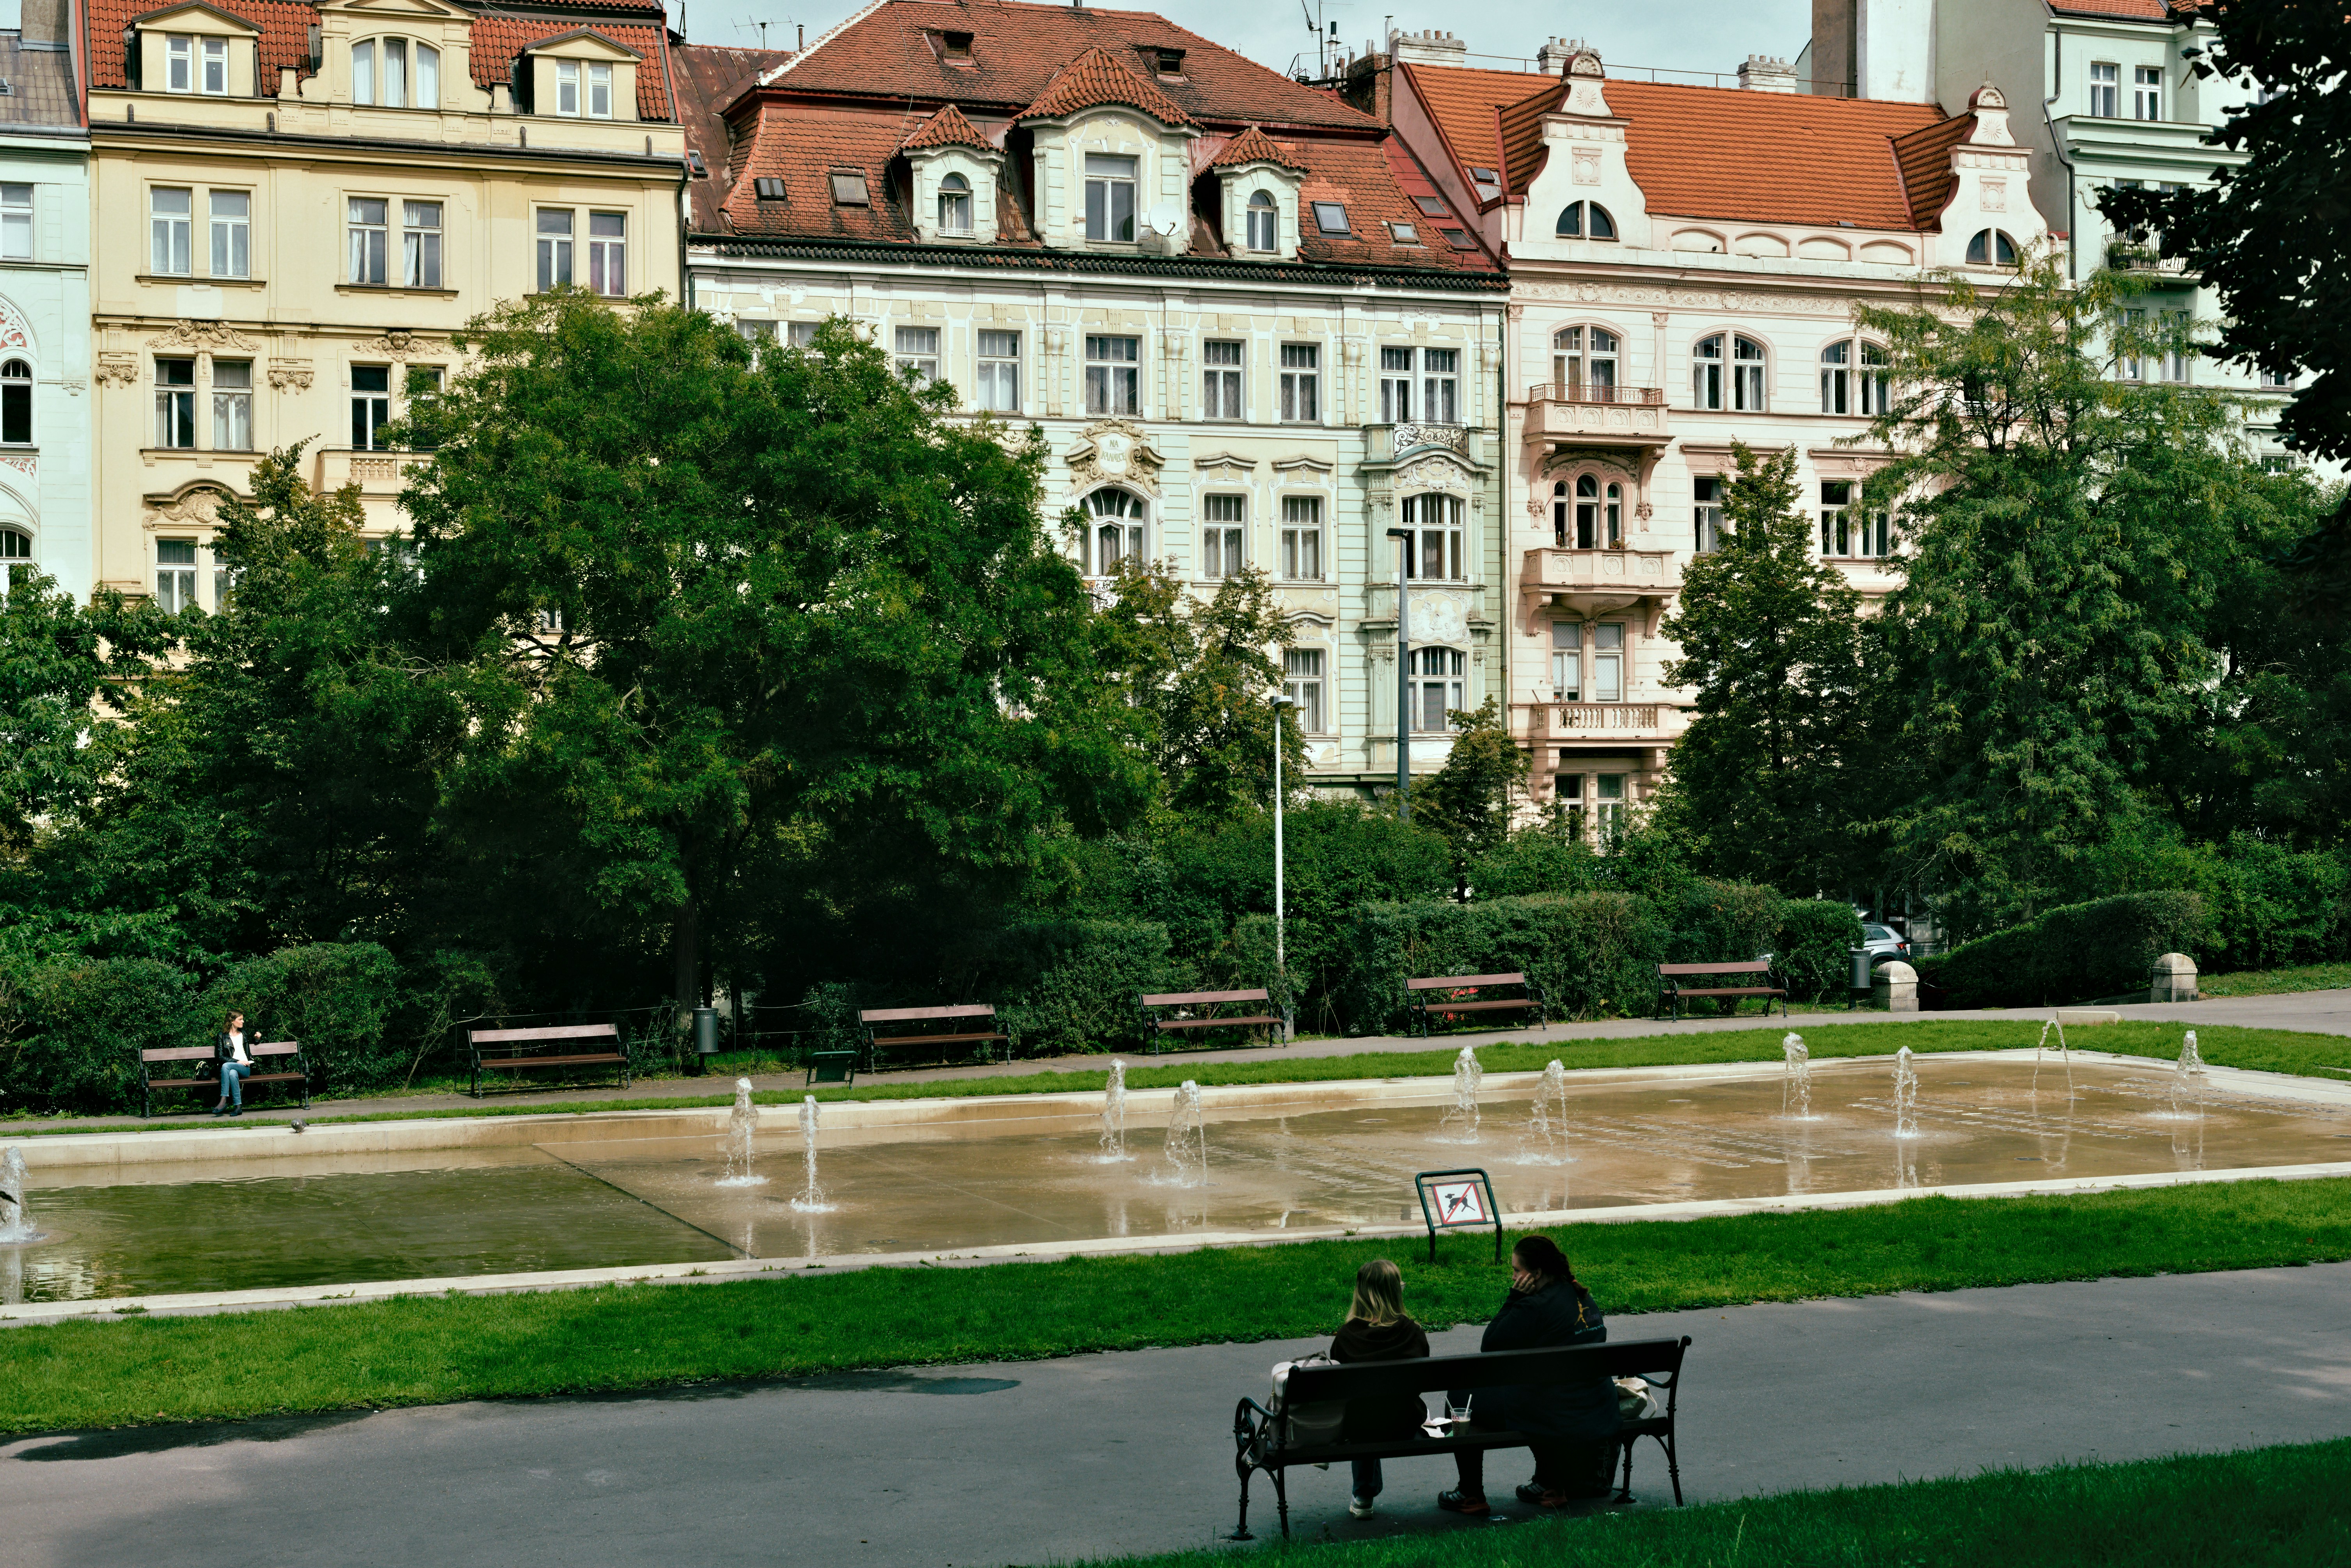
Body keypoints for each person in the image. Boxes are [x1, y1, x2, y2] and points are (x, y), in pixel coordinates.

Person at [1437, 1235, 1618, 1515]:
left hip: (1554, 1410)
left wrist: (1514, 1297)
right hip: (1594, 1404)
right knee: (1541, 1391)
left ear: (1536, 1274)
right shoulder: (1582, 1295)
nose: (1513, 1276)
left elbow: (1491, 1344)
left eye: (1516, 1271)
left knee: (1461, 1395)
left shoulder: (1533, 1305)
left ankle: (1470, 1492)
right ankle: (1550, 1484)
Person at [1328, 1258, 1430, 1520]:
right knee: (1383, 1407)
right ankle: (1365, 1491)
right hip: (1405, 1421)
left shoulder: (1347, 1336)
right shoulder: (1413, 1333)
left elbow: (1338, 1389)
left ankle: (1363, 1495)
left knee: (1365, 1411)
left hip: (1360, 1428)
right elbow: (1421, 1381)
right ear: (1397, 1292)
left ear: (1360, 1294)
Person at [213, 1011, 254, 1117]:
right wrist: (237, 1061)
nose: (243, 1022)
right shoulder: (222, 1036)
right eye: (240, 1019)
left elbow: (255, 1042)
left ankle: (223, 1099)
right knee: (232, 1073)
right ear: (232, 1021)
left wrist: (258, 1038)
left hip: (245, 1068)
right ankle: (238, 1107)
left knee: (226, 1066)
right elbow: (221, 1057)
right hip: (234, 1067)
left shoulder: (244, 1033)